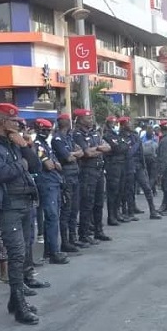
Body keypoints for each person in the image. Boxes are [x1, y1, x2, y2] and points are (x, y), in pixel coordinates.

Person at [0, 103, 44, 325]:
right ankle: (19, 304)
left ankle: (16, 300)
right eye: (14, 121)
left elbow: (35, 165)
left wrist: (24, 146)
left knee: (23, 251)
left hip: (24, 201)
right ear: (3, 122)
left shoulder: (13, 143)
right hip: (8, 205)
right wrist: (21, 165)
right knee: (15, 254)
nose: (18, 124)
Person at [33, 118, 69, 265]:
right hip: (46, 184)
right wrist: (54, 164)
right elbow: (48, 165)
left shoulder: (45, 144)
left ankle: (50, 249)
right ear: (38, 130)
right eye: (44, 131)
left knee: (53, 216)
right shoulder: (38, 145)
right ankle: (53, 252)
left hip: (53, 183)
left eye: (48, 130)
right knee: (52, 217)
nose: (47, 133)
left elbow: (57, 164)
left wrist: (55, 164)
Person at [73, 109, 112, 244]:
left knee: (99, 203)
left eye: (91, 118)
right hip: (87, 172)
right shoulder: (78, 135)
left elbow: (108, 147)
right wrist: (99, 149)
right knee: (87, 204)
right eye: (88, 118)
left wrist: (97, 149)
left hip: (99, 170)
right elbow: (87, 153)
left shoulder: (94, 133)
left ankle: (98, 231)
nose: (91, 120)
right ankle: (84, 234)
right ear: (80, 119)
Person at [51, 113, 84, 253]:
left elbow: (80, 152)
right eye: (68, 121)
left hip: (74, 175)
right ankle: (65, 242)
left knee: (74, 209)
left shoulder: (69, 137)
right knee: (67, 210)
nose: (70, 123)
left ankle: (72, 239)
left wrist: (74, 154)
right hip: (66, 177)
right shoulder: (57, 139)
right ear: (64, 122)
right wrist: (74, 154)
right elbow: (68, 157)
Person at [120, 117, 161, 219]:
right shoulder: (121, 137)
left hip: (139, 165)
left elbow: (141, 152)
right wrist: (137, 144)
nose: (130, 124)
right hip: (129, 166)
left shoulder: (134, 135)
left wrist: (143, 165)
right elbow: (128, 153)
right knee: (130, 190)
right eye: (128, 123)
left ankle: (153, 211)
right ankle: (130, 212)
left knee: (147, 187)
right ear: (123, 125)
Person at [102, 115, 128, 226]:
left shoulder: (116, 135)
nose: (114, 125)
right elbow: (117, 148)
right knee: (112, 192)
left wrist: (121, 146)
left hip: (121, 164)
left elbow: (125, 147)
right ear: (108, 124)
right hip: (112, 165)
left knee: (120, 191)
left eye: (115, 123)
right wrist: (121, 147)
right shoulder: (107, 135)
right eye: (112, 123)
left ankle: (117, 213)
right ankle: (111, 216)